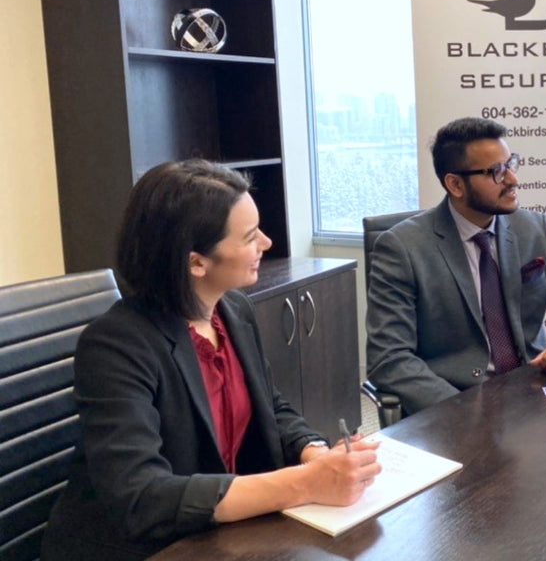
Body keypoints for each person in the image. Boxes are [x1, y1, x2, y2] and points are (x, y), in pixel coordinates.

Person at [41, 160, 381, 561]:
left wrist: (314, 451)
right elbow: (142, 496)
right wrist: (305, 483)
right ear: (195, 262)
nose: (267, 244)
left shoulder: (232, 310)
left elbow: (272, 410)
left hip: (218, 535)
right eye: (250, 236)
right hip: (143, 549)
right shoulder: (116, 345)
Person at [366, 117, 546, 415]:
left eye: (511, 164)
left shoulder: (533, 229)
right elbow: (389, 359)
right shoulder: (402, 247)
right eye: (496, 171)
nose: (512, 179)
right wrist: (468, 410)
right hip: (454, 408)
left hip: (532, 400)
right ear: (455, 184)